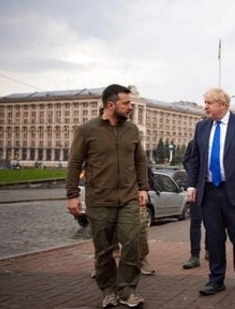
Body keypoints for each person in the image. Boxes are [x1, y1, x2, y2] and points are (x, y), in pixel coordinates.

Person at [66, 84, 148, 308]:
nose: (130, 107)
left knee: (132, 244)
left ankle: (127, 290)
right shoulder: (87, 130)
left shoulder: (132, 130)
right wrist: (72, 195)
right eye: (126, 103)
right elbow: (74, 163)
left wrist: (143, 188)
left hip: (128, 199)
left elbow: (140, 160)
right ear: (111, 105)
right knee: (103, 251)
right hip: (99, 201)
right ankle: (108, 290)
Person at [186, 87, 235, 296]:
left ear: (222, 105)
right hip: (210, 192)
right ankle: (216, 280)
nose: (205, 107)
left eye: (209, 103)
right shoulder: (201, 127)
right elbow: (195, 159)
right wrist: (192, 185)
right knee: (214, 238)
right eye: (205, 103)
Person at [182, 138, 209, 269]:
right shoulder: (193, 143)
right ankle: (194, 255)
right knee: (195, 223)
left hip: (213, 188)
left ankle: (210, 250)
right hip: (197, 188)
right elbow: (187, 161)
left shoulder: (222, 140)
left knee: (213, 223)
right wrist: (196, 174)